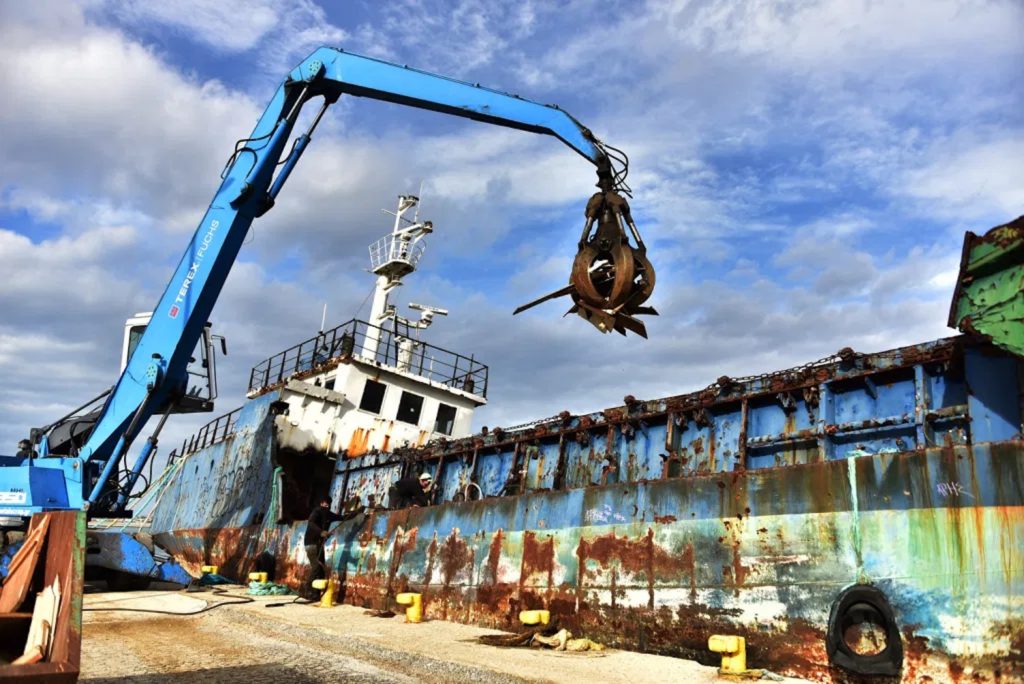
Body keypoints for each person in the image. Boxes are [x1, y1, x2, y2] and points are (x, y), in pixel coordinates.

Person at [303, 497, 350, 583]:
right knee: (316, 568)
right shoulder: (317, 511)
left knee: (321, 570)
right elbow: (311, 523)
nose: (328, 504)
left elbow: (342, 518)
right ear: (321, 503)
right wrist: (321, 532)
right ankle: (307, 589)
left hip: (318, 545)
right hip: (311, 544)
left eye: (329, 502)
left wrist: (357, 512)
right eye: (325, 502)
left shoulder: (328, 514)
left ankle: (315, 594)